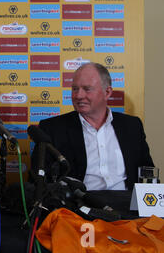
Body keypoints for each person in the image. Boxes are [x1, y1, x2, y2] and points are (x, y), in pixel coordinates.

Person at [32, 62, 154, 191]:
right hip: (78, 206)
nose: (78, 95)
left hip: (126, 205)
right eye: (75, 89)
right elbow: (38, 181)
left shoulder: (132, 126)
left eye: (87, 89)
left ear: (107, 92)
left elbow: (147, 173)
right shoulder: (52, 128)